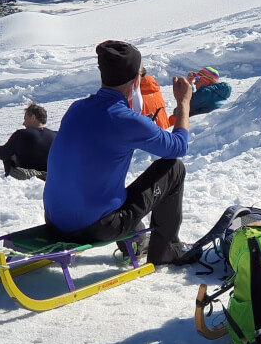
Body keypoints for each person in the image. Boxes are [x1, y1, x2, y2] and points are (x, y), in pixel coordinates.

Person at [43, 40, 196, 266]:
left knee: (100, 186)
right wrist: (183, 102)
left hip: (54, 221)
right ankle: (166, 249)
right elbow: (178, 146)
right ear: (136, 81)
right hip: (95, 227)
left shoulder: (77, 108)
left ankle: (134, 237)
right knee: (173, 168)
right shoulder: (125, 119)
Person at [0, 102, 56, 181]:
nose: (23, 123)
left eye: (25, 119)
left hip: (28, 175)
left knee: (9, 155)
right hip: (52, 175)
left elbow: (2, 153)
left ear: (33, 118)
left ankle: (9, 180)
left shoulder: (21, 134)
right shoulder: (56, 135)